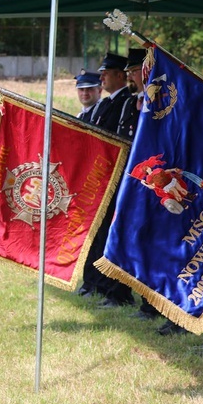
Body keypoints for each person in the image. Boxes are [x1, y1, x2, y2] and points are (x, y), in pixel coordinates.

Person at [76, 53, 135, 308]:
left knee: (113, 235)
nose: (101, 78)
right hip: (103, 177)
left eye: (106, 73)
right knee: (99, 234)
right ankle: (97, 282)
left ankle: (116, 291)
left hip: (118, 176)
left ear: (120, 76)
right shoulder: (106, 104)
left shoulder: (127, 101)